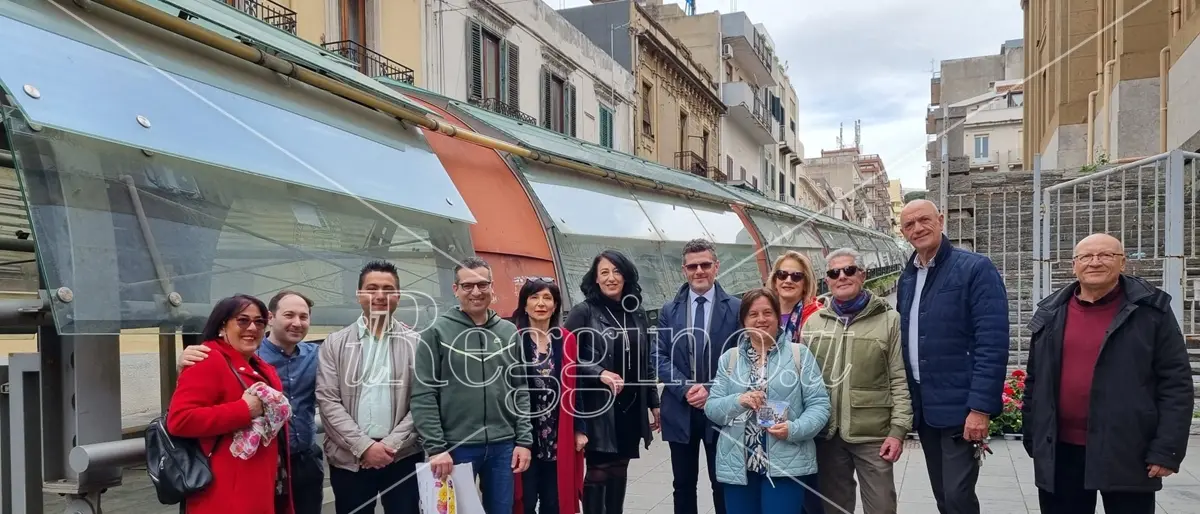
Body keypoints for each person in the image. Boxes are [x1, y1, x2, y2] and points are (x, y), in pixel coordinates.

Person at [1023, 233, 1192, 514]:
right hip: (1062, 450)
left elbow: (1176, 384)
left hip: (1129, 450)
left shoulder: (1151, 312)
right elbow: (1035, 379)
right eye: (1086, 256)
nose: (1095, 262)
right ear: (1074, 265)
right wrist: (1033, 436)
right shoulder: (1051, 312)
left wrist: (1167, 449)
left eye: (1106, 255)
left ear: (1122, 262)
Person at [896, 199, 1009, 514]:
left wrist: (980, 408)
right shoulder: (908, 277)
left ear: (941, 220)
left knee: (958, 496)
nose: (918, 228)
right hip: (925, 405)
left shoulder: (974, 268)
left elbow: (993, 342)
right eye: (909, 224)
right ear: (903, 232)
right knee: (943, 495)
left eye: (924, 220)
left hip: (961, 405)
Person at [178, 290, 323, 514]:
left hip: (274, 475)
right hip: (226, 485)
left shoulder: (260, 365)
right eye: (243, 320)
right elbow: (181, 419)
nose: (252, 328)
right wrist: (244, 409)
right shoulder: (207, 359)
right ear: (222, 325)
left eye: (258, 322)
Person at [412, 257, 533, 514]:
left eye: (482, 284)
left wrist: (524, 440)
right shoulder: (436, 333)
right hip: (455, 447)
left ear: (491, 287)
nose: (476, 292)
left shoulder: (508, 332)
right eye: (467, 286)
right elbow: (424, 393)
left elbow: (520, 389)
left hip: (503, 446)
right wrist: (436, 448)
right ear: (455, 289)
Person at [801, 248, 912, 514]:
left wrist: (898, 430)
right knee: (834, 508)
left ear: (862, 275)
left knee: (882, 507)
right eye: (833, 273)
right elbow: (803, 381)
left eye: (849, 270)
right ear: (827, 280)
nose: (842, 276)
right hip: (828, 434)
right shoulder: (814, 323)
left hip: (874, 434)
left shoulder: (889, 320)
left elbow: (899, 377)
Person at [704, 288, 830, 514]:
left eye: (767, 313)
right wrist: (739, 400)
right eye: (753, 314)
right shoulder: (729, 359)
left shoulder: (799, 354)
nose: (761, 319)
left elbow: (819, 405)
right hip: (738, 466)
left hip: (786, 463)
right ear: (743, 321)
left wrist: (794, 429)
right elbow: (712, 409)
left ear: (777, 317)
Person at [316, 261, 424, 514]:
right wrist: (364, 447)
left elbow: (424, 400)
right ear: (359, 294)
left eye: (388, 289)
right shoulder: (335, 343)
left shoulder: (417, 343)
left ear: (398, 296)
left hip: (402, 457)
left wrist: (391, 445)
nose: (380, 295)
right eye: (372, 288)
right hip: (349, 459)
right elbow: (328, 400)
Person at [565, 249, 661, 514]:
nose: (611, 278)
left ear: (626, 275)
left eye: (616, 271)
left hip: (630, 405)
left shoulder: (636, 312)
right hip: (598, 408)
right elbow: (566, 357)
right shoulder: (583, 312)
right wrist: (599, 372)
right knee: (598, 470)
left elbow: (645, 361)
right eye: (604, 272)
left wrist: (654, 401)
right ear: (595, 278)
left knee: (620, 467)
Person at [654, 239, 741, 514]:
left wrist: (710, 389)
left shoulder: (736, 308)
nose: (699, 271)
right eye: (693, 266)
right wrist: (686, 388)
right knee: (682, 484)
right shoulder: (669, 310)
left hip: (720, 408)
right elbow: (658, 356)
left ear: (716, 267)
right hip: (680, 408)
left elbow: (741, 357)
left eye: (705, 264)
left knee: (722, 483)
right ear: (684, 270)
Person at [510, 279, 588, 514]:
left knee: (554, 501)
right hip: (524, 433)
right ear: (524, 305)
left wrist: (579, 428)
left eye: (547, 298)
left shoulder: (566, 339)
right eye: (534, 298)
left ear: (555, 306)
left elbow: (576, 386)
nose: (541, 304)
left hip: (558, 432)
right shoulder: (513, 338)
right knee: (524, 500)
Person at [766, 250, 824, 514]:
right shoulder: (763, 314)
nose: (788, 280)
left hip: (805, 411)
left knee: (810, 492)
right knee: (777, 486)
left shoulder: (818, 316)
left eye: (796, 276)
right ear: (774, 279)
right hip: (771, 407)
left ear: (806, 282)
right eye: (782, 274)